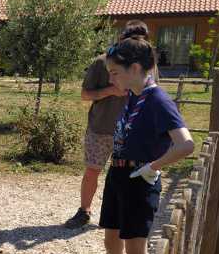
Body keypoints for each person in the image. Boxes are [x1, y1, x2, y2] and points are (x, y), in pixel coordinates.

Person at [73, 37, 194, 254]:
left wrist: (153, 167)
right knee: (111, 241)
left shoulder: (158, 100)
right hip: (118, 174)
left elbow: (186, 144)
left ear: (135, 68)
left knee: (136, 251)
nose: (111, 78)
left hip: (140, 179)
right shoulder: (132, 96)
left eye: (115, 72)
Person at [65, 20, 153, 229]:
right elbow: (85, 94)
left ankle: (123, 214)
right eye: (131, 41)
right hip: (101, 129)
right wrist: (109, 91)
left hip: (132, 131)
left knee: (128, 175)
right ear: (122, 39)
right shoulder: (101, 63)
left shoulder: (146, 66)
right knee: (92, 171)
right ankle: (84, 211)